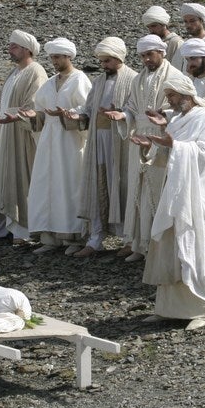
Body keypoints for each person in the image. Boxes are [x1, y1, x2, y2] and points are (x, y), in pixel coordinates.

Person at [141, 73, 205, 331]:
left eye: (172, 96)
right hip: (178, 190)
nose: (169, 101)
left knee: (197, 244)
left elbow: (204, 153)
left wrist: (176, 145)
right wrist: (161, 138)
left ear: (186, 95)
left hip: (200, 194)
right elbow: (174, 147)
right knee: (172, 243)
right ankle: (167, 309)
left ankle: (202, 309)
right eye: (168, 96)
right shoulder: (181, 119)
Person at [104, 36, 187, 263]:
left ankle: (160, 246)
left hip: (164, 137)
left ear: (162, 52)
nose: (146, 59)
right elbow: (132, 107)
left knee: (159, 188)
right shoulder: (138, 79)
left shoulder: (175, 77)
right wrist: (123, 115)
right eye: (142, 55)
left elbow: (183, 107)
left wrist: (163, 117)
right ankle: (139, 243)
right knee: (138, 188)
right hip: (139, 135)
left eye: (150, 54)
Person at [0, 30, 48, 244]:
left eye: (14, 46)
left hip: (22, 135)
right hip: (6, 134)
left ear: (27, 49)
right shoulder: (14, 73)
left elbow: (35, 105)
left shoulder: (36, 72)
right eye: (10, 45)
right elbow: (4, 106)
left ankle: (26, 228)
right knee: (3, 176)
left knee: (23, 177)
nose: (9, 49)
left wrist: (15, 116)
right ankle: (6, 224)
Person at [20, 38, 91, 254]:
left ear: (69, 56)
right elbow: (41, 108)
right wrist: (35, 115)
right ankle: (49, 236)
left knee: (69, 185)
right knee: (46, 185)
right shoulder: (50, 82)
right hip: (49, 140)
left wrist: (68, 114)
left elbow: (87, 110)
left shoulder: (79, 79)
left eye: (58, 57)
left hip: (70, 142)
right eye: (52, 57)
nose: (55, 61)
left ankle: (73, 238)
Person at [74, 37, 138, 258]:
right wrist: (80, 116)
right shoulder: (99, 80)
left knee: (120, 184)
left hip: (120, 142)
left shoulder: (133, 79)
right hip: (98, 141)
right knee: (99, 182)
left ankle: (128, 238)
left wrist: (121, 113)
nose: (104, 65)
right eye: (101, 61)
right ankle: (96, 238)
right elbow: (90, 107)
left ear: (119, 57)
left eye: (108, 60)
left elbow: (136, 110)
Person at [142, 5, 185, 72]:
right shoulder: (151, 42)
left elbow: (178, 69)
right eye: (149, 27)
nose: (151, 30)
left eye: (154, 26)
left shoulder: (176, 42)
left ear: (163, 24)